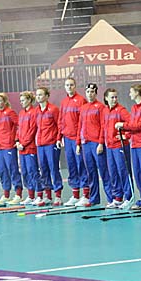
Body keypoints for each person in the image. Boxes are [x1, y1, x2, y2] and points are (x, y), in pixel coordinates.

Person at [115, 84, 141, 210]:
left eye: (131, 92)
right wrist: (126, 135)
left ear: (137, 93)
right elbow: (132, 124)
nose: (129, 94)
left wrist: (123, 125)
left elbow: (139, 125)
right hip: (134, 144)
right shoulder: (134, 108)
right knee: (138, 173)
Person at [76, 83, 112, 207]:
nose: (90, 94)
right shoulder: (83, 108)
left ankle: (111, 199)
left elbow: (103, 126)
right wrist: (78, 143)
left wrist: (101, 143)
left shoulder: (100, 107)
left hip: (96, 144)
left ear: (96, 93)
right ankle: (94, 198)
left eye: (92, 92)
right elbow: (80, 126)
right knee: (90, 172)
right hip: (85, 144)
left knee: (104, 171)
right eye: (88, 92)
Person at [58, 77, 89, 206]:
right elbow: (61, 120)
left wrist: (79, 141)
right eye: (67, 85)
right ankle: (75, 195)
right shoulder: (64, 102)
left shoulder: (81, 100)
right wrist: (59, 137)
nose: (69, 87)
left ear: (75, 86)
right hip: (67, 139)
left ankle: (86, 196)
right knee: (71, 167)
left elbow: (83, 122)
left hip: (77, 139)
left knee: (81, 165)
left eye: (71, 85)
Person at [103, 88, 132, 208]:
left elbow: (131, 124)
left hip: (120, 146)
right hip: (109, 147)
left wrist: (126, 136)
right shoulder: (105, 111)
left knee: (123, 171)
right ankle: (118, 198)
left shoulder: (121, 110)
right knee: (113, 172)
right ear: (106, 98)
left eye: (116, 97)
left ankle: (128, 197)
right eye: (112, 97)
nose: (114, 99)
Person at [35, 87, 63, 206]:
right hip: (40, 145)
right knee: (44, 170)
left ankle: (58, 196)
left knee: (54, 169)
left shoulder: (53, 109)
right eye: (37, 95)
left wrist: (58, 139)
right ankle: (48, 196)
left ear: (47, 96)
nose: (38, 97)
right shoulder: (36, 111)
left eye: (41, 94)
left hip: (51, 144)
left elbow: (59, 125)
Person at [0, 92, 23, 205]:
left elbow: (19, 125)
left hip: (9, 146)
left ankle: (18, 194)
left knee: (13, 169)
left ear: (5, 102)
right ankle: (6, 195)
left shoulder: (10, 113)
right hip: (0, 147)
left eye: (0, 101)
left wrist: (15, 139)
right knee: (2, 170)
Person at [16, 91, 43, 206]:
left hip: (30, 148)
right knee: (25, 172)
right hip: (21, 149)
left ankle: (39, 195)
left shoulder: (34, 112)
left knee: (33, 171)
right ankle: (31, 196)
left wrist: (24, 143)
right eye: (20, 100)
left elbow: (32, 130)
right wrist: (17, 141)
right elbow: (18, 129)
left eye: (23, 100)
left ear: (29, 100)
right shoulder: (21, 113)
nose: (21, 102)